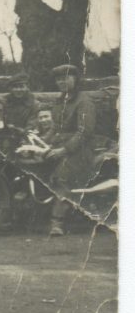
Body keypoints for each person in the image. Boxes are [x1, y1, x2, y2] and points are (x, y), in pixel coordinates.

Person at [44, 64, 97, 237]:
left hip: (80, 149)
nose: (61, 82)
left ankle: (57, 223)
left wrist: (63, 150)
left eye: (66, 78)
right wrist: (40, 143)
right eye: (58, 79)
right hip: (61, 145)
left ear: (75, 79)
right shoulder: (60, 100)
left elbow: (84, 132)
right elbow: (54, 127)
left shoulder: (84, 101)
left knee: (61, 176)